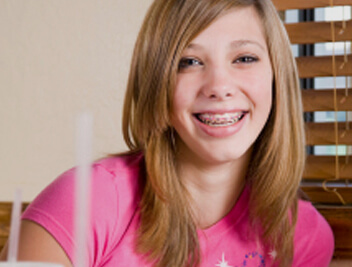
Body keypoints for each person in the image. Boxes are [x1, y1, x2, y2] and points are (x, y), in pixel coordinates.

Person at [0, 0, 334, 266]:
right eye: (188, 62)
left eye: (244, 58)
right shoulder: (86, 202)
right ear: (158, 84)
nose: (219, 87)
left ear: (278, 78)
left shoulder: (301, 236)